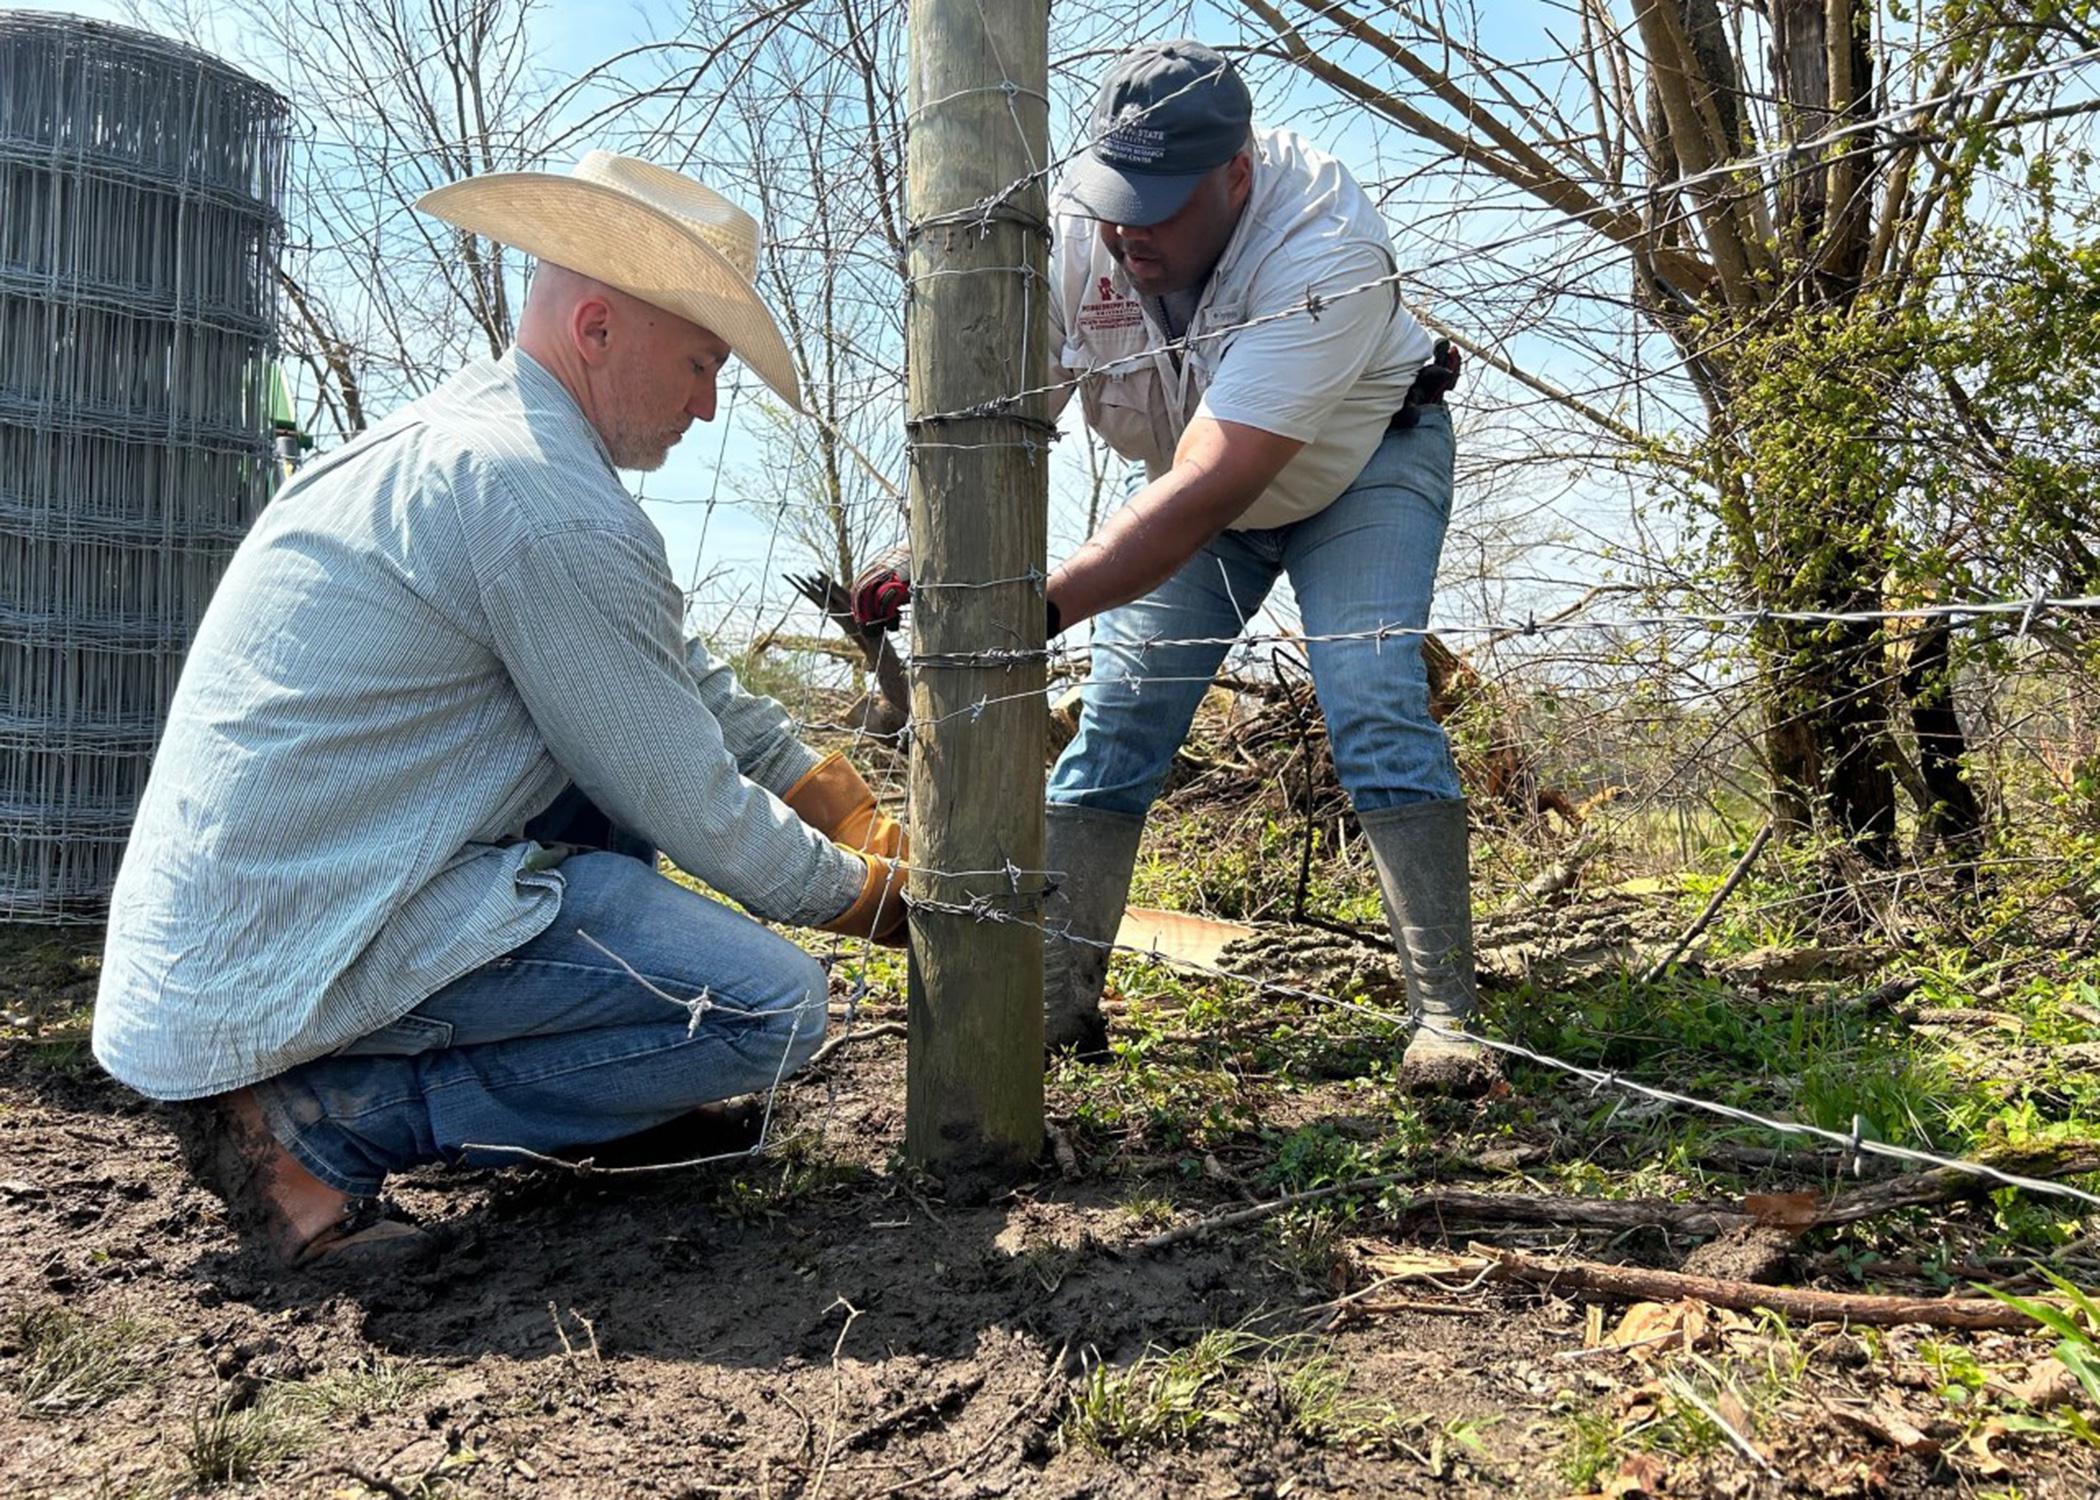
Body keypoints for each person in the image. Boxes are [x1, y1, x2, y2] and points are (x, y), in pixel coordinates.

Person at [91, 153, 907, 1269]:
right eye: (703, 363)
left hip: (278, 913)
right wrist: (865, 897)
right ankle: (316, 1130)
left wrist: (833, 798)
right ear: (599, 326)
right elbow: (683, 794)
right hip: (291, 948)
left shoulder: (492, 449)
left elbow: (681, 681)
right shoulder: (542, 501)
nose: (711, 406)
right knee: (773, 1010)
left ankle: (613, 1108)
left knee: (616, 827)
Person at [858, 41, 1489, 1091]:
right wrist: (930, 558)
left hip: (1358, 469)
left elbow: (1210, 483)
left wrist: (1035, 609)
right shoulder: (1073, 235)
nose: (1126, 228)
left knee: (1373, 697)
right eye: (1113, 197)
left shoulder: (1323, 240)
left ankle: (1448, 1026)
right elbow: (995, 427)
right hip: (1187, 502)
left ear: (1237, 173)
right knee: (1119, 726)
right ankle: (1055, 1006)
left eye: (1158, 204)